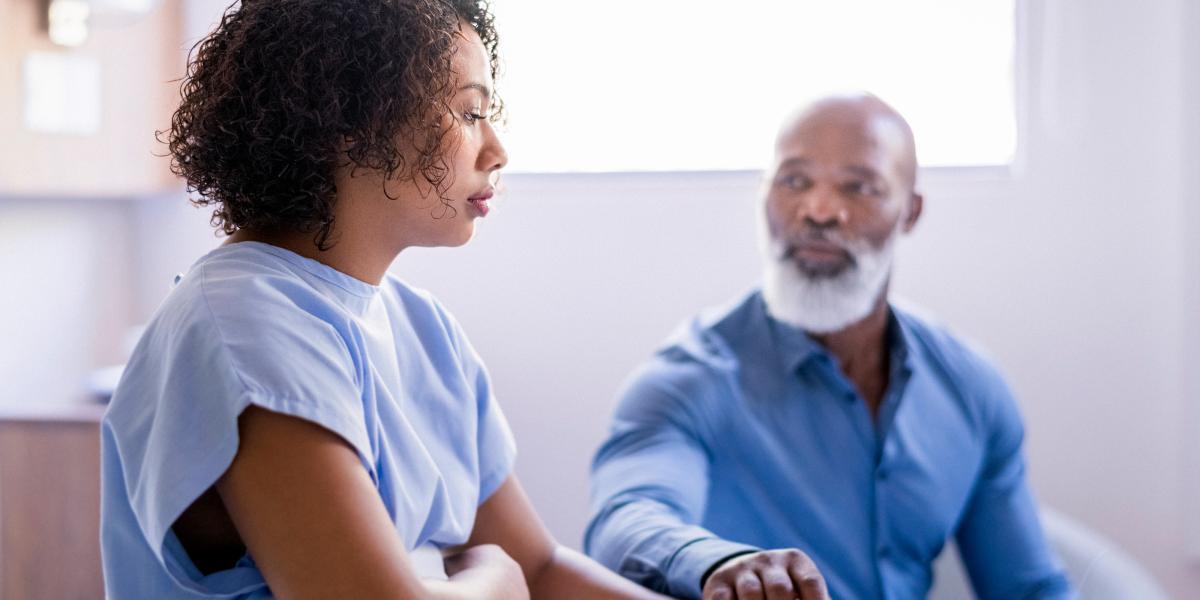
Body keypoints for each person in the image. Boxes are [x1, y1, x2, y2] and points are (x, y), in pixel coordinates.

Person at [100, 1, 667, 598]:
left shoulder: (426, 329)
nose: (497, 150)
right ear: (352, 115)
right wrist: (496, 582)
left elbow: (544, 571)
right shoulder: (242, 321)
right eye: (470, 112)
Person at [585, 93, 1076, 600]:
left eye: (859, 187)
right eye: (794, 181)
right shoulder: (689, 379)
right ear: (763, 195)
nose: (818, 211)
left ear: (910, 211)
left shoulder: (971, 388)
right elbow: (626, 520)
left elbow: (1029, 588)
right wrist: (720, 564)